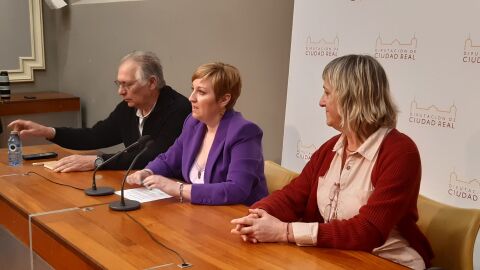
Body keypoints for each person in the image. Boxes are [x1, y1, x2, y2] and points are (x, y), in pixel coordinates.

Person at [231, 55, 433, 269]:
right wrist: (258, 215)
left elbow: (368, 231)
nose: (321, 101)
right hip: (337, 256)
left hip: (388, 261)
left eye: (327, 93)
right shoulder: (331, 148)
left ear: (352, 98)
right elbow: (293, 196)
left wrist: (284, 231)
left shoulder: (401, 152)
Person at [8, 51, 191, 172]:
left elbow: (152, 157)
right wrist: (47, 131)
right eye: (118, 84)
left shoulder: (178, 109)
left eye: (127, 84)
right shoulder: (129, 108)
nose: (120, 91)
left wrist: (97, 161)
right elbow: (95, 136)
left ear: (151, 83)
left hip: (170, 190)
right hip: (139, 186)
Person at [127, 62, 268, 205]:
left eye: (201, 92)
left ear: (224, 99)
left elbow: (236, 190)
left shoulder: (244, 133)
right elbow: (169, 159)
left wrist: (178, 189)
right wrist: (147, 172)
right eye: (192, 89)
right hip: (199, 212)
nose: (191, 98)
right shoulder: (193, 123)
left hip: (237, 217)